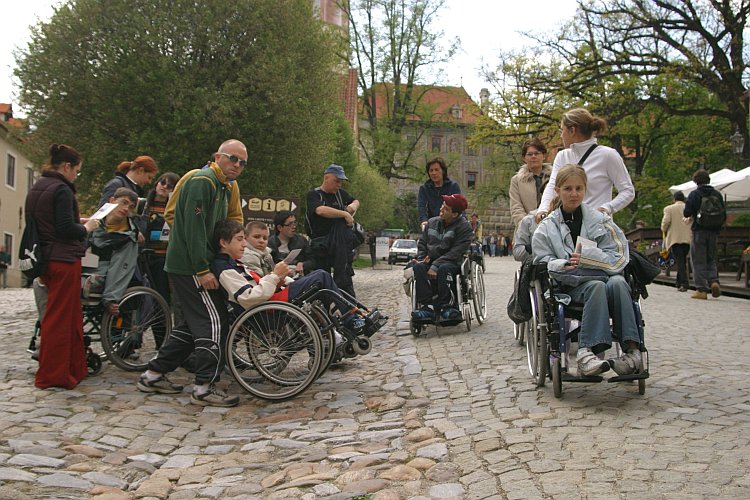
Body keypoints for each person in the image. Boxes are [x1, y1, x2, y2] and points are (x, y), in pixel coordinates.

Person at [137, 139, 248, 408]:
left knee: (187, 328)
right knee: (213, 322)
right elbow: (193, 229)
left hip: (192, 264)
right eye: (232, 158)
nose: (237, 165)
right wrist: (202, 269)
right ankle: (204, 387)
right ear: (218, 157)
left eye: (242, 162)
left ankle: (152, 375)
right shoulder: (203, 182)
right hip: (190, 267)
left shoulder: (224, 185)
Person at [532, 164, 641, 377]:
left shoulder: (600, 220)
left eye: (578, 189)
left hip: (603, 277)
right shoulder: (546, 227)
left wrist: (589, 258)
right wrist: (563, 264)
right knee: (596, 286)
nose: (574, 194)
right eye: (568, 189)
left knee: (619, 283)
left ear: (585, 189)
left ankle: (632, 351)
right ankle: (586, 352)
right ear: (558, 191)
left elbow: (619, 255)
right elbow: (541, 262)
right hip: (568, 287)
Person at [211, 220, 377, 336]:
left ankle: (351, 318)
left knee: (320, 280)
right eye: (239, 240)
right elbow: (249, 297)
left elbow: (259, 283)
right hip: (268, 306)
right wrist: (275, 276)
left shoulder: (233, 263)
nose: (244, 244)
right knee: (321, 276)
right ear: (224, 243)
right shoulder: (225, 268)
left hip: (271, 297)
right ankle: (350, 321)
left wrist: (280, 278)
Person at [25, 144, 99, 389]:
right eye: (76, 171)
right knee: (61, 320)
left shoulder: (39, 186)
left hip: (45, 257)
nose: (76, 175)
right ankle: (55, 374)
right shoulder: (62, 189)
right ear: (66, 166)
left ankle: (71, 368)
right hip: (63, 260)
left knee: (59, 317)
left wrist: (79, 220)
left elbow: (48, 221)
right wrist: (87, 228)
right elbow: (67, 230)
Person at [535, 108, 635, 223]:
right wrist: (543, 209)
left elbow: (628, 191)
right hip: (566, 225)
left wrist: (607, 208)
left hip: (596, 226)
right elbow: (553, 185)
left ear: (572, 130)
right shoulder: (562, 156)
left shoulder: (607, 155)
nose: (561, 135)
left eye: (562, 130)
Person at [411, 194, 473, 321]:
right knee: (418, 267)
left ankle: (448, 306)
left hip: (451, 262)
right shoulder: (432, 222)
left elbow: (456, 252)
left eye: (446, 208)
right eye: (442, 206)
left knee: (444, 269)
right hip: (430, 259)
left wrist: (436, 265)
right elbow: (422, 243)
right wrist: (422, 258)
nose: (441, 209)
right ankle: (427, 306)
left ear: (454, 214)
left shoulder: (464, 227)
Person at [305, 164, 360, 297]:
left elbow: (356, 201)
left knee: (345, 280)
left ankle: (347, 307)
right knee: (321, 283)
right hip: (321, 247)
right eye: (337, 181)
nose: (339, 185)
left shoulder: (340, 195)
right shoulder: (314, 195)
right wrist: (344, 214)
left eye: (341, 182)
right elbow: (320, 210)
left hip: (340, 249)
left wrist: (351, 208)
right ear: (326, 178)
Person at [87, 188, 140, 316]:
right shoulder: (94, 223)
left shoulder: (127, 237)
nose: (126, 208)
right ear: (112, 201)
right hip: (87, 267)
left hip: (107, 274)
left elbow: (121, 268)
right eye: (123, 202)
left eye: (131, 206)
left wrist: (110, 299)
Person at [683, 169, 724, 300]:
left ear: (696, 181)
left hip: (699, 230)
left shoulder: (695, 194)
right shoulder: (717, 194)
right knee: (711, 258)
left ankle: (701, 289)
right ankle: (714, 281)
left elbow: (687, 212)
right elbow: (723, 213)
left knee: (698, 259)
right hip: (714, 230)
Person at [142, 172, 180, 305]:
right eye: (162, 183)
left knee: (161, 292)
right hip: (144, 253)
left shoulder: (175, 208)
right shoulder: (144, 205)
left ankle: (162, 325)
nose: (164, 187)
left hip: (163, 256)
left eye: (169, 186)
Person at [510, 138, 552, 227]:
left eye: (537, 153)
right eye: (529, 154)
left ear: (544, 156)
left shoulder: (554, 178)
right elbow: (516, 208)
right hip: (525, 232)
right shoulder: (516, 181)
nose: (533, 156)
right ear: (524, 158)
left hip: (551, 229)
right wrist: (528, 226)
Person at [418, 157, 461, 230]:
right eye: (431, 170)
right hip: (432, 224)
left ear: (443, 171)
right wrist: (424, 221)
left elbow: (459, 207)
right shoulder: (424, 189)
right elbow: (422, 207)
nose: (434, 173)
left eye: (436, 170)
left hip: (450, 224)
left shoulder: (453, 186)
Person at [660, 191, 692, 292]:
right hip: (688, 238)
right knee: (682, 259)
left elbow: (665, 222)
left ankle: (684, 283)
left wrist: (663, 229)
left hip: (675, 238)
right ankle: (678, 282)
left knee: (680, 260)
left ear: (674, 199)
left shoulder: (669, 209)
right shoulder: (688, 207)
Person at [268, 210, 313, 276]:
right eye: (290, 224)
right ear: (280, 227)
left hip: (298, 276)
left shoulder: (301, 241)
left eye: (295, 223)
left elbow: (312, 261)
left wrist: (302, 264)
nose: (294, 227)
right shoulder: (270, 243)